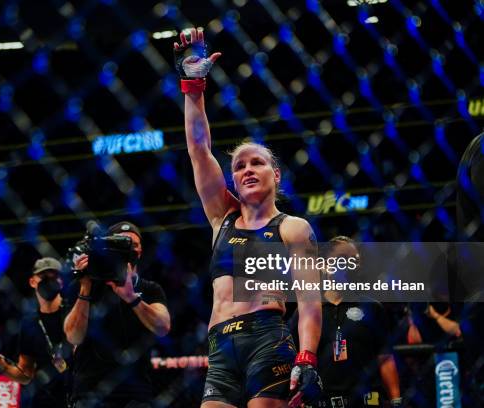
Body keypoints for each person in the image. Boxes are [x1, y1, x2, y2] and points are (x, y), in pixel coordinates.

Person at [174, 28, 322, 408]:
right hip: (220, 345)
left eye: (257, 162)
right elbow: (197, 148)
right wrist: (194, 87)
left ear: (277, 175)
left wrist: (306, 358)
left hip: (267, 339)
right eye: (239, 166)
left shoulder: (292, 228)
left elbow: (308, 299)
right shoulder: (222, 217)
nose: (247, 169)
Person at [63, 221, 171, 408]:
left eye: (134, 245)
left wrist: (132, 298)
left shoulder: (150, 289)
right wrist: (85, 287)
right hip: (90, 391)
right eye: (123, 244)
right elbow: (74, 336)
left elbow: (163, 327)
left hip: (135, 394)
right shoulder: (84, 285)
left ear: (140, 251)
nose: (129, 250)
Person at [291, 236, 403, 408]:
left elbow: (385, 358)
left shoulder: (372, 308)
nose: (350, 266)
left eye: (355, 261)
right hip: (321, 402)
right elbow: (292, 359)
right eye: (343, 260)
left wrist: (396, 401)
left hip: (366, 401)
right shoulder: (306, 312)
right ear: (324, 264)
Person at [0, 257, 72, 407]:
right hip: (47, 400)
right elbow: (26, 374)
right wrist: (5, 368)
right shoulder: (29, 323)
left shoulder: (74, 311)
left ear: (62, 281)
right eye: (44, 277)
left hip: (80, 395)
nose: (49, 281)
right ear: (33, 282)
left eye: (54, 276)